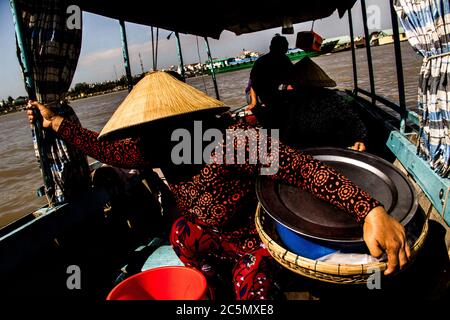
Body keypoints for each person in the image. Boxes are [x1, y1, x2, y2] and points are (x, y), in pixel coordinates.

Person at [27, 71, 409, 300]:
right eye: (148, 131)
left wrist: (369, 209)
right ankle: (211, 282)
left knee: (255, 293)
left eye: (163, 127)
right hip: (206, 236)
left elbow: (303, 169)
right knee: (179, 232)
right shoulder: (154, 145)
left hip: (248, 240)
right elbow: (107, 149)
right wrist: (56, 123)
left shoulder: (236, 140)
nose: (151, 137)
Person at [282, 56, 368, 151]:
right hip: (304, 147)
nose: (294, 86)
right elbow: (289, 129)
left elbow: (354, 122)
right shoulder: (294, 101)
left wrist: (359, 140)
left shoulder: (330, 98)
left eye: (296, 83)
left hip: (330, 146)